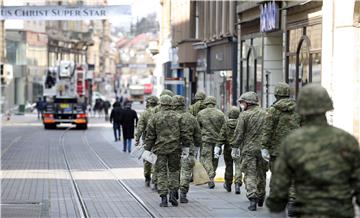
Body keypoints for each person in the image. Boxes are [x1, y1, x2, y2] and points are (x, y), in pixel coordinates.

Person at [266, 84, 360, 218]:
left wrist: (277, 208)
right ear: (327, 106)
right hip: (341, 212)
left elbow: (279, 186)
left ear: (301, 108)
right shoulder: (346, 140)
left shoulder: (292, 143)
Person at [260, 82, 301, 216]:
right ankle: (293, 202)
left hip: (277, 151)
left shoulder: (273, 110)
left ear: (277, 94)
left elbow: (267, 130)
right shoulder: (299, 109)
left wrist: (264, 147)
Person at [145, 95, 191, 207]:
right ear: (171, 104)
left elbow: (150, 136)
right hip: (175, 149)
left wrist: (147, 149)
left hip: (159, 150)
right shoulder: (179, 117)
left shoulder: (155, 117)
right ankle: (173, 193)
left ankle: (163, 198)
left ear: (161, 104)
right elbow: (185, 134)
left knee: (161, 172)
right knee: (174, 171)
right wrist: (186, 147)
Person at [231, 91, 267, 211]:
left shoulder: (244, 115)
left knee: (250, 174)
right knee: (261, 174)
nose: (241, 105)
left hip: (249, 150)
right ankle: (261, 195)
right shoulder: (266, 113)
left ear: (248, 103)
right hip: (263, 150)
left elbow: (239, 133)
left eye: (242, 102)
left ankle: (252, 199)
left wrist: (235, 146)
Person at [172, 95, 202, 203]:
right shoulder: (191, 117)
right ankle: (183, 194)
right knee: (185, 171)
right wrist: (198, 146)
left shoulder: (170, 116)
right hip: (188, 147)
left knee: (173, 170)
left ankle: (173, 191)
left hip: (172, 147)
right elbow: (197, 134)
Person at [197, 96, 225, 189]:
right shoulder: (220, 114)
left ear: (206, 103)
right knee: (215, 159)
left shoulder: (201, 113)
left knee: (205, 159)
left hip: (206, 140)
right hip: (217, 141)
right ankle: (211, 176)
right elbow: (224, 127)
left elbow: (197, 128)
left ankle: (210, 175)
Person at [135, 95, 159, 187]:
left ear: (148, 103)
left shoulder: (144, 114)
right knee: (156, 158)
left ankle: (147, 178)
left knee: (147, 159)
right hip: (158, 140)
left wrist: (137, 139)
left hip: (147, 139)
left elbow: (140, 127)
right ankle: (155, 178)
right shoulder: (159, 112)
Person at [219, 106, 242, 194]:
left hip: (228, 149)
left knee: (229, 166)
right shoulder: (241, 123)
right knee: (238, 165)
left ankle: (228, 184)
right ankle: (237, 184)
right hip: (238, 148)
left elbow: (221, 136)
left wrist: (218, 146)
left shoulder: (225, 124)